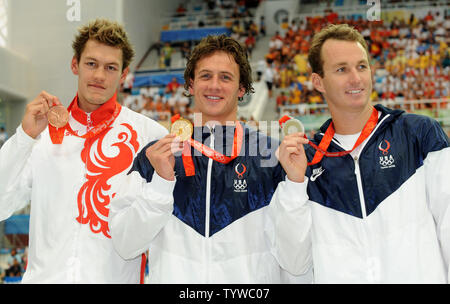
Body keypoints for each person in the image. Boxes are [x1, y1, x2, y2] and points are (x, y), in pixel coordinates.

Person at [109, 34, 312, 283]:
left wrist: (295, 184)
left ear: (241, 89)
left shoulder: (272, 156)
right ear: (191, 85)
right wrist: (161, 185)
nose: (214, 85)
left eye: (225, 77)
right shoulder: (156, 156)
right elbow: (125, 245)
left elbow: (297, 262)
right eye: (205, 76)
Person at [0, 18, 168, 283]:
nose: (100, 75)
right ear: (74, 64)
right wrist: (24, 137)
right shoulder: (41, 133)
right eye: (91, 64)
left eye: (111, 67)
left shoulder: (150, 138)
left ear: (124, 74)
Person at [286, 23, 450, 283]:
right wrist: (294, 186)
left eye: (361, 66)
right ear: (318, 82)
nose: (356, 78)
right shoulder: (308, 160)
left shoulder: (419, 133)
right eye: (342, 69)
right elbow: (294, 263)